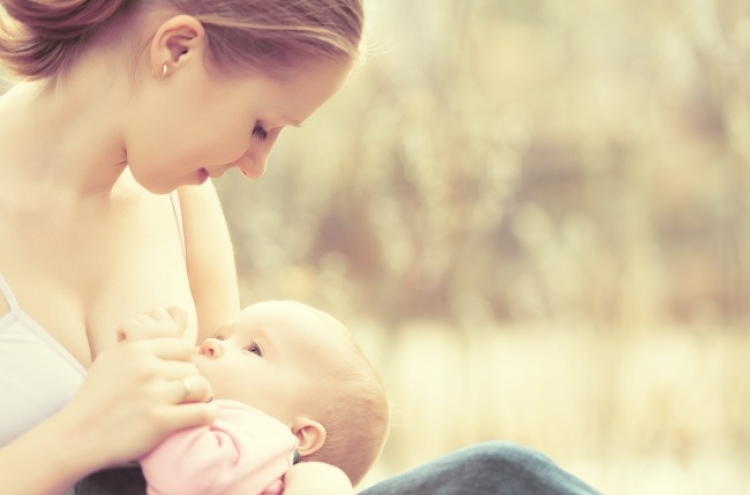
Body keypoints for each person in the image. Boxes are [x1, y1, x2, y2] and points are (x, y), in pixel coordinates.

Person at [0, 1, 605, 494]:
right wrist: (78, 436)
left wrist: (309, 478)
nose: (258, 165)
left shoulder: (183, 205)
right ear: (177, 49)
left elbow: (241, 427)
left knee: (502, 480)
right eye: (262, 126)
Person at [118, 301, 388, 495]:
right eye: (221, 336)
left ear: (301, 436)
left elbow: (193, 474)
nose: (213, 344)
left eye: (254, 349)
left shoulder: (266, 434)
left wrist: (160, 366)